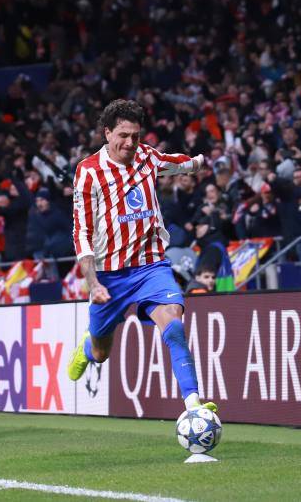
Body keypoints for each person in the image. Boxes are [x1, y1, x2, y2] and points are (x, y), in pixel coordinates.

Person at [65, 99, 217, 415]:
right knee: (102, 352)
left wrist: (201, 161)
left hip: (151, 266)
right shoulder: (89, 172)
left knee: (173, 323)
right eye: (123, 135)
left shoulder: (147, 157)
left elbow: (178, 163)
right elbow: (82, 232)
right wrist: (93, 283)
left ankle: (194, 404)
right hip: (109, 276)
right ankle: (88, 348)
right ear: (107, 133)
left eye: (135, 136)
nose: (130, 143)